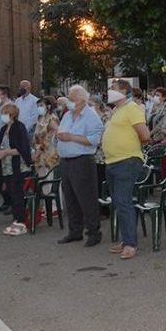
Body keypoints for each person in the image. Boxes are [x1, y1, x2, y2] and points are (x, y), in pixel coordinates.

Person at [55, 85, 108, 247]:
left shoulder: (91, 116)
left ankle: (93, 232)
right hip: (66, 160)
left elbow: (94, 139)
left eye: (72, 99)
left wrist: (70, 137)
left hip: (82, 160)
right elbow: (60, 133)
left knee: (86, 197)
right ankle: (75, 231)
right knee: (70, 197)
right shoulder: (67, 115)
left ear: (81, 100)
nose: (69, 102)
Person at [100, 87, 148, 257]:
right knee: (119, 202)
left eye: (114, 88)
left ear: (123, 92)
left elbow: (144, 135)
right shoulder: (116, 110)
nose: (110, 91)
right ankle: (126, 238)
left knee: (123, 200)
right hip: (112, 161)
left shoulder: (132, 108)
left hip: (126, 160)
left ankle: (130, 244)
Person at [0, 103, 32, 236]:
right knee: (10, 192)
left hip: (17, 166)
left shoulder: (19, 127)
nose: (3, 116)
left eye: (5, 113)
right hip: (6, 166)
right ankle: (16, 218)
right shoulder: (4, 128)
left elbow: (22, 148)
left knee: (17, 193)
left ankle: (21, 220)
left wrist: (6, 152)